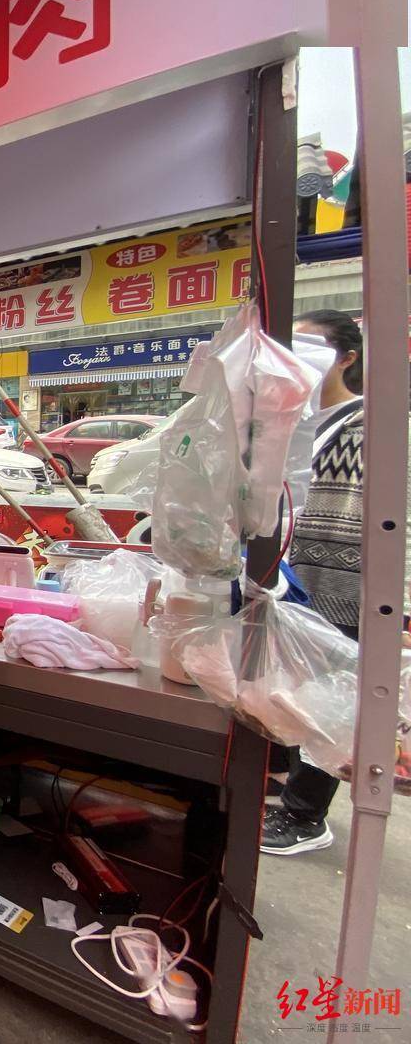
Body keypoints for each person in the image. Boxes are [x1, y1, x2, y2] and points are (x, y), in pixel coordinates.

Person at [266, 311, 370, 854]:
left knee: (333, 699)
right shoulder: (299, 420)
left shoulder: (366, 424)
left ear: (346, 357)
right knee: (295, 692)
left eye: (310, 344)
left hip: (343, 582)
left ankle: (306, 816)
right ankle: (287, 783)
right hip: (294, 580)